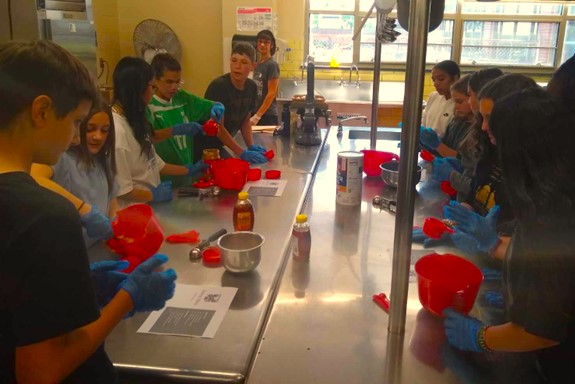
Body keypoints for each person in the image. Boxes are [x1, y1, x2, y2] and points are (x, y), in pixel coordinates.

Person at [0, 39, 176, 383]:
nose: (75, 137)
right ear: (42, 111)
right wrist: (128, 298)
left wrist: (84, 288)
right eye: (77, 121)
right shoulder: (47, 215)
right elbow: (42, 371)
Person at [443, 87, 575, 383]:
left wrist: (481, 337)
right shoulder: (548, 187)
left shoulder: (552, 205)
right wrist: (495, 247)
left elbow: (542, 331)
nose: (484, 127)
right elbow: (551, 263)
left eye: (492, 121)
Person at [112, 56, 207, 204]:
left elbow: (153, 162)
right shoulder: (118, 132)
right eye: (151, 87)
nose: (152, 92)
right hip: (133, 211)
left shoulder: (134, 120)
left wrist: (188, 170)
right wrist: (152, 195)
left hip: (150, 208)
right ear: (137, 90)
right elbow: (123, 190)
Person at [31, 101, 118, 251]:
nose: (98, 136)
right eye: (90, 129)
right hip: (67, 251)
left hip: (96, 249)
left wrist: (116, 228)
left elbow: (112, 199)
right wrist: (83, 209)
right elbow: (34, 178)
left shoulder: (103, 159)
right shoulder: (61, 156)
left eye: (104, 130)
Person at [147, 53, 225, 185]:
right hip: (163, 179)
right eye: (169, 82)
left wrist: (217, 107)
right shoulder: (149, 105)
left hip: (186, 176)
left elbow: (209, 105)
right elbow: (149, 138)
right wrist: (176, 130)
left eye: (178, 82)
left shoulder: (182, 98)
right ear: (155, 79)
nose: (174, 87)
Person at [197, 42, 268, 164]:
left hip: (220, 145)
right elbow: (218, 127)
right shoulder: (219, 87)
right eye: (234, 61)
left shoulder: (251, 87)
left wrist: (250, 146)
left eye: (244, 62)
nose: (237, 66)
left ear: (253, 66)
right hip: (204, 148)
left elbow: (245, 121)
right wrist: (241, 152)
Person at [420, 74, 474, 159]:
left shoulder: (477, 130)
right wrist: (424, 144)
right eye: (454, 102)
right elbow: (445, 146)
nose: (456, 107)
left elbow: (465, 161)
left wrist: (437, 145)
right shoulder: (456, 121)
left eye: (460, 102)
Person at [421, 60, 460, 136]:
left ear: (455, 78)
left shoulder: (459, 104)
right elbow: (424, 122)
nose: (436, 84)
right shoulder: (433, 97)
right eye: (433, 80)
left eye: (441, 79)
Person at [251, 29, 280, 126]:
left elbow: (271, 93)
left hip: (267, 115)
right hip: (256, 111)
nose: (262, 45)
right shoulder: (257, 64)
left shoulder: (272, 65)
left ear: (271, 45)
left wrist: (257, 116)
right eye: (260, 42)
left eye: (266, 42)